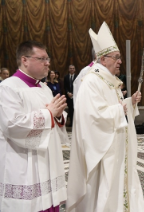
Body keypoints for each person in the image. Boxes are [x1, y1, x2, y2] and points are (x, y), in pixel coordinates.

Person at [67, 22, 144, 212]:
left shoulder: (110, 81)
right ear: (103, 59)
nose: (120, 61)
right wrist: (120, 109)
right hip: (104, 150)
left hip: (117, 146)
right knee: (106, 189)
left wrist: (129, 102)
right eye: (116, 57)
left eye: (119, 57)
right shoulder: (91, 82)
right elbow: (91, 117)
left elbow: (114, 108)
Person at [0, 40, 68, 211]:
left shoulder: (44, 88)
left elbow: (54, 116)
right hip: (23, 160)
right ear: (25, 60)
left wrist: (59, 116)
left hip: (47, 159)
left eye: (48, 58)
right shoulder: (8, 88)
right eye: (42, 59)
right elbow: (12, 125)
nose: (48, 63)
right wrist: (49, 114)